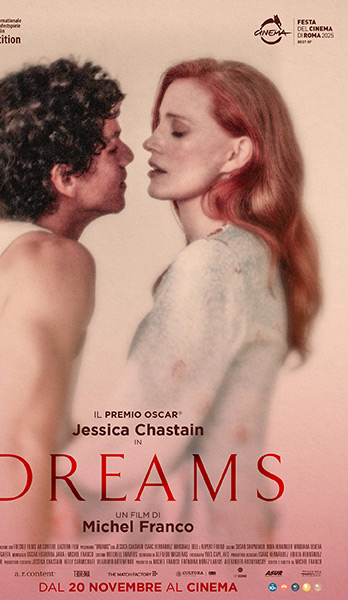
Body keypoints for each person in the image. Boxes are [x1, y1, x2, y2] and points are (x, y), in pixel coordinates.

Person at [72, 58, 321, 544]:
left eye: (178, 130)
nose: (150, 143)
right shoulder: (256, 257)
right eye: (157, 125)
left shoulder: (211, 265)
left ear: (236, 154)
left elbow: (128, 448)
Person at [0, 57, 133, 549]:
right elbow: (25, 441)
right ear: (65, 178)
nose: (128, 155)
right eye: (112, 145)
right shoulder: (52, 259)